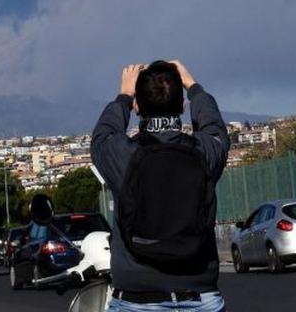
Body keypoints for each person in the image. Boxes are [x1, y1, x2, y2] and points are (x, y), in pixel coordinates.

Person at [91, 60, 230, 312]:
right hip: (200, 297)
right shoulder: (204, 153)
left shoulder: (124, 157)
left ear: (137, 107)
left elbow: (103, 135)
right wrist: (194, 86)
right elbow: (215, 129)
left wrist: (123, 96)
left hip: (136, 300)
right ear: (182, 105)